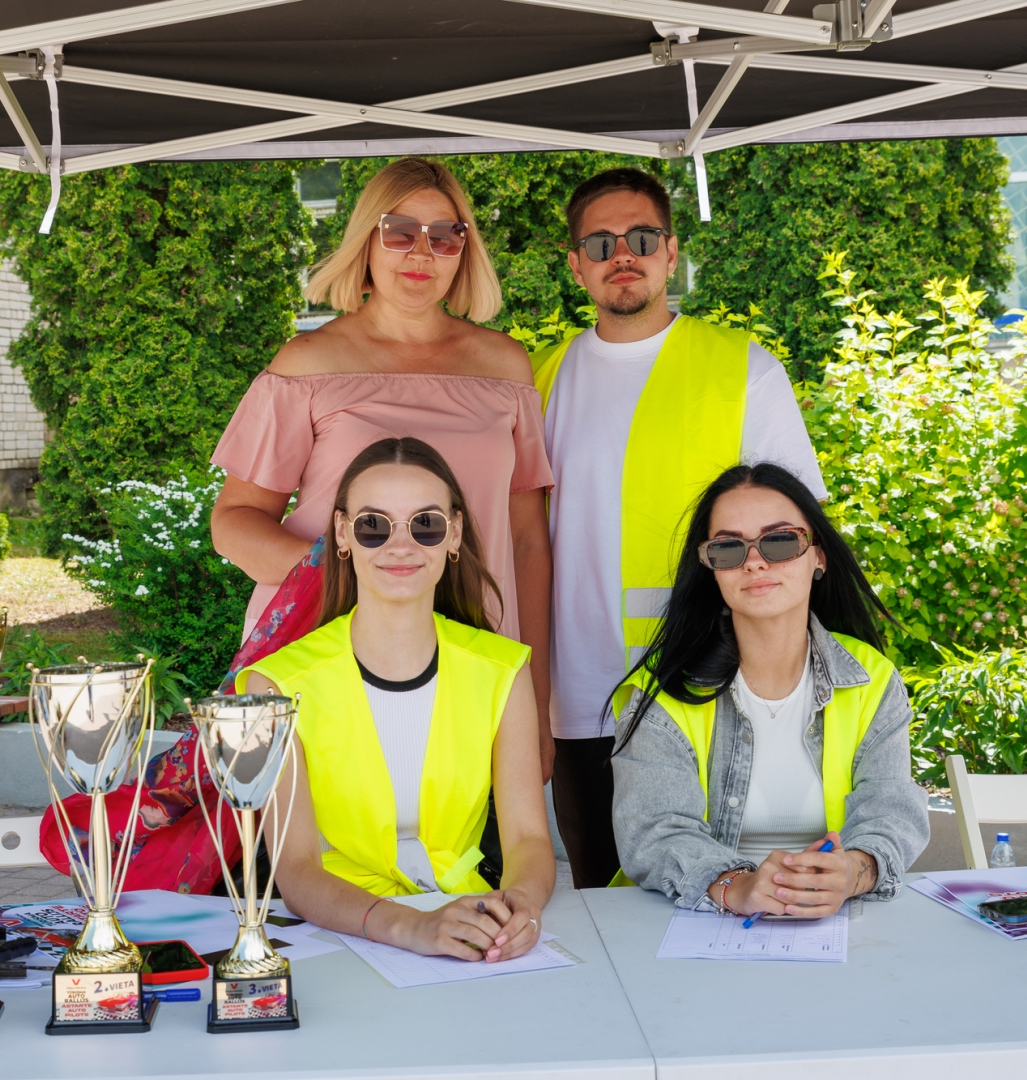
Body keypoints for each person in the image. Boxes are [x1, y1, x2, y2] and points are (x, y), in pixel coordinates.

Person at [211, 157, 555, 779]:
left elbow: (528, 541)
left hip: (474, 661)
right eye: (399, 232)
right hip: (327, 657)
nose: (422, 252)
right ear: (366, 240)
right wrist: (354, 581)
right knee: (321, 839)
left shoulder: (505, 366)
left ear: (464, 251)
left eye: (445, 235)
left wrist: (535, 696)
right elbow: (234, 522)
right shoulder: (308, 362)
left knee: (473, 840)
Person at [532, 167, 828, 887]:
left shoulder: (744, 371)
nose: (621, 255)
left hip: (715, 684)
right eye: (600, 243)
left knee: (726, 891)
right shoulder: (536, 381)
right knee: (604, 901)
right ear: (575, 264)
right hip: (581, 695)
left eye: (642, 238)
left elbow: (799, 538)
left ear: (671, 252)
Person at [238, 438, 555, 961]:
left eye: (425, 524)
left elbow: (528, 841)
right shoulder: (275, 684)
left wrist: (520, 906)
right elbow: (296, 869)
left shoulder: (504, 669)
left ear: (454, 533)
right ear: (343, 534)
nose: (401, 546)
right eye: (374, 526)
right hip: (335, 934)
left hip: (469, 926)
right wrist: (411, 927)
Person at [610, 463, 929, 914]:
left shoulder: (872, 678)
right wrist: (737, 886)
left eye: (779, 541)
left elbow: (891, 809)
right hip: (690, 922)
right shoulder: (660, 691)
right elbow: (654, 832)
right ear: (710, 568)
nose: (755, 562)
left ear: (818, 557)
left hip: (839, 923)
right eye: (728, 548)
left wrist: (852, 872)